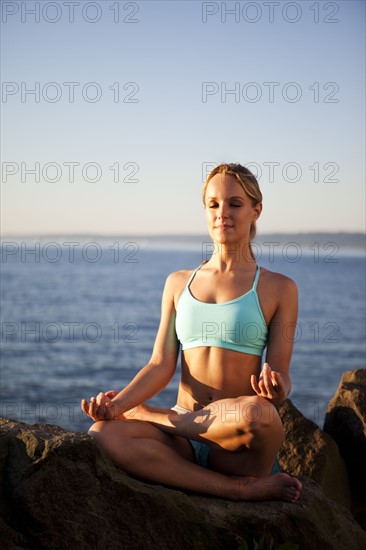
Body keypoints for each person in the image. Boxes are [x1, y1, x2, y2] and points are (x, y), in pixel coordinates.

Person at [81, 162, 302, 502]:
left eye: (234, 203)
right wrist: (118, 405)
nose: (222, 213)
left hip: (236, 440)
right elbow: (160, 364)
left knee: (262, 414)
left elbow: (281, 376)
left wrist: (276, 388)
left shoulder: (279, 288)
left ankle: (157, 418)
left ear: (256, 210)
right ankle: (237, 489)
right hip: (182, 442)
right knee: (102, 435)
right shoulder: (178, 283)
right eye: (213, 204)